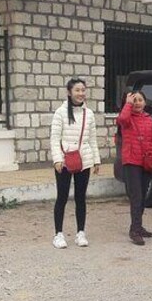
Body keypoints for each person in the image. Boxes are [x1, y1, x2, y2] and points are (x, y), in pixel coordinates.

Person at [50, 77, 100, 249]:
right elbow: (54, 138)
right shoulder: (60, 113)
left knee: (81, 198)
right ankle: (58, 234)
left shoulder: (89, 114)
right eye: (77, 90)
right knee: (62, 198)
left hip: (84, 160)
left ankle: (80, 232)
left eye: (83, 90)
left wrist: (96, 160)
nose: (81, 93)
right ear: (69, 93)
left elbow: (92, 139)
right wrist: (57, 158)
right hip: (64, 161)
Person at [116, 90, 152, 246]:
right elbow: (121, 118)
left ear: (145, 102)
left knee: (143, 196)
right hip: (132, 162)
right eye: (134, 100)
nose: (137, 103)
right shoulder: (127, 118)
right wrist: (128, 104)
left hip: (147, 162)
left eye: (140, 100)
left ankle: (138, 226)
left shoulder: (149, 120)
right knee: (136, 197)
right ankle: (134, 230)